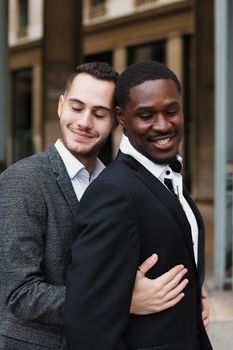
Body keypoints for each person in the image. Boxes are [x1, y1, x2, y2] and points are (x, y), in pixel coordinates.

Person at [0, 62, 193, 350]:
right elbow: (19, 294)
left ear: (117, 120)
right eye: (76, 108)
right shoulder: (22, 180)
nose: (85, 123)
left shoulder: (123, 183)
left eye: (99, 113)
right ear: (61, 105)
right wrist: (119, 300)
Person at [64, 61, 213, 350]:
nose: (163, 124)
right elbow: (88, 323)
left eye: (171, 111)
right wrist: (123, 299)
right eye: (146, 115)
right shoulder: (113, 193)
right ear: (121, 117)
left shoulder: (168, 176)